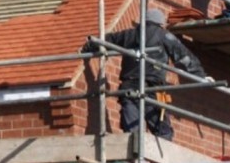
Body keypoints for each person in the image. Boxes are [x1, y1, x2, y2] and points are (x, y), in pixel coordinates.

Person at [85, 9, 208, 140]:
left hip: (129, 87)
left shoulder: (130, 34)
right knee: (162, 130)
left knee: (132, 130)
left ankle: (134, 157)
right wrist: (201, 75)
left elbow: (108, 41)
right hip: (153, 88)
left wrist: (89, 46)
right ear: (160, 23)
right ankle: (159, 158)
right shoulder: (164, 35)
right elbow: (184, 56)